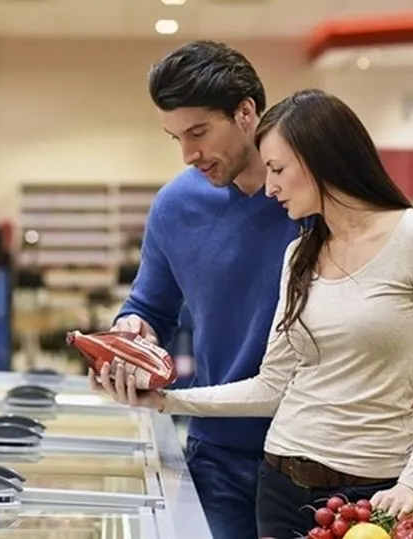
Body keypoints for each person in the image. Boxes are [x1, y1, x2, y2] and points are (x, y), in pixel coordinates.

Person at [96, 89, 413, 538]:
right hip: (279, 484)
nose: (270, 187)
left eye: (277, 169)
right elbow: (272, 385)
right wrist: (166, 401)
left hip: (373, 493)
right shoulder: (300, 254)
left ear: (319, 159)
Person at [95, 40, 300, 539]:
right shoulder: (174, 207)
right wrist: (132, 333)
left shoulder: (313, 196)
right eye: (177, 138)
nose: (189, 155)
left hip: (314, 454)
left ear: (246, 113)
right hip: (218, 452)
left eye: (198, 133)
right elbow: (149, 308)